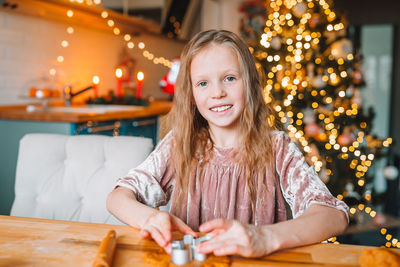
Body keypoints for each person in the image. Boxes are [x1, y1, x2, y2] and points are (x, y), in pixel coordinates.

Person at [106, 29, 349, 258]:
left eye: (230, 78)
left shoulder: (277, 148)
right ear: (190, 94)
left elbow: (333, 216)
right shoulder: (180, 144)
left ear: (251, 84)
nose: (218, 92)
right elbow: (118, 198)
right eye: (203, 83)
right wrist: (148, 218)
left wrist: (264, 237)